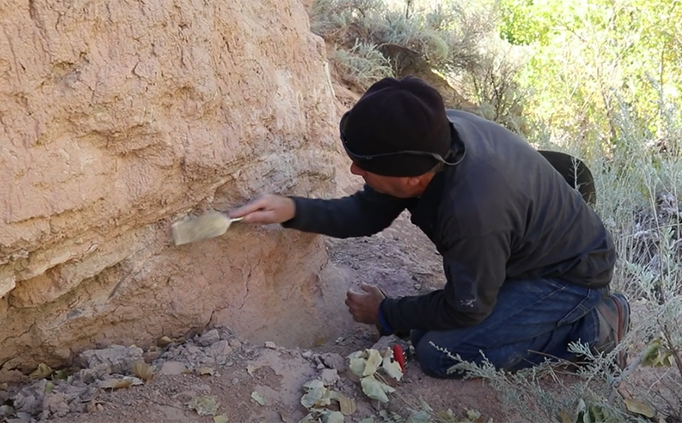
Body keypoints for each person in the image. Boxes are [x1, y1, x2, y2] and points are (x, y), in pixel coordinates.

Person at [229, 75, 630, 378]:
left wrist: (386, 313)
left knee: (441, 353)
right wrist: (291, 210)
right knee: (423, 331)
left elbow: (465, 309)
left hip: (568, 275)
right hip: (520, 253)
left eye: (363, 164)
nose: (353, 169)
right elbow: (367, 213)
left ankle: (596, 325)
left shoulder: (471, 212)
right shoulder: (428, 137)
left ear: (408, 179)